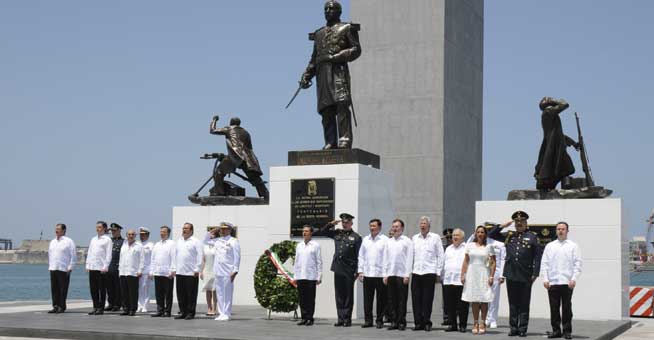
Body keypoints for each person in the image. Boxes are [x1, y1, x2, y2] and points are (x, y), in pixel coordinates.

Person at [299, 0, 362, 149]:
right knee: (326, 110)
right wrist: (306, 75)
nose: (328, 11)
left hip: (338, 72)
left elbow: (356, 49)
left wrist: (338, 56)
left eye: (331, 9)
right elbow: (314, 58)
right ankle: (330, 141)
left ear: (339, 12)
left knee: (341, 105)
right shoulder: (319, 33)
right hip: (322, 75)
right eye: (326, 9)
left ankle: (344, 139)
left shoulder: (347, 28)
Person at [489, 211, 543, 337]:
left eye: (522, 222)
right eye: (517, 222)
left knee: (524, 303)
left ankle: (523, 328)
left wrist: (535, 273)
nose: (519, 224)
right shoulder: (509, 235)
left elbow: (537, 257)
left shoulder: (533, 236)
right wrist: (504, 225)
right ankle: (513, 328)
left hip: (526, 274)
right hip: (511, 274)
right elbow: (491, 234)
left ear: (526, 223)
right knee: (512, 303)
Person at [209, 116, 268, 199]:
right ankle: (266, 195)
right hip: (247, 159)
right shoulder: (246, 132)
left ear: (231, 123)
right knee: (255, 178)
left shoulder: (229, 129)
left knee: (218, 172)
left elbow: (212, 130)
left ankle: (219, 194)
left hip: (235, 157)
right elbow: (249, 148)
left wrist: (214, 120)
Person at [541, 222, 582, 340]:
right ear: (556, 231)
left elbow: (577, 264)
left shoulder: (573, 246)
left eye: (563, 229)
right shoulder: (550, 246)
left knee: (566, 309)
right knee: (554, 308)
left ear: (567, 231)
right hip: (553, 282)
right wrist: (545, 279)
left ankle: (567, 331)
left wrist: (574, 279)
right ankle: (556, 331)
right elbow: (545, 263)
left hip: (567, 282)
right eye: (558, 229)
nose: (560, 231)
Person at [321, 212, 362, 327]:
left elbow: (359, 256)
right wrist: (330, 224)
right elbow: (322, 232)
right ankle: (340, 318)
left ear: (351, 223)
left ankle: (347, 319)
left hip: (349, 270)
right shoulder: (337, 233)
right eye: (343, 222)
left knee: (348, 295)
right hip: (338, 268)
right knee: (339, 295)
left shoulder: (356, 237)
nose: (344, 224)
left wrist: (357, 271)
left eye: (347, 222)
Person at [534, 97, 579, 191]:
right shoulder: (548, 111)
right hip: (554, 147)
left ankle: (564, 183)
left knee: (566, 168)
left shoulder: (551, 114)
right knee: (558, 168)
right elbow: (565, 104)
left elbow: (559, 134)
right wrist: (553, 101)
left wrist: (574, 143)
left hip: (558, 146)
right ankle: (548, 183)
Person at [410, 216, 444, 331]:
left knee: (427, 299)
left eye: (425, 223)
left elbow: (440, 255)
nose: (422, 225)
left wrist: (438, 273)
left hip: (429, 272)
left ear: (429, 226)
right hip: (416, 272)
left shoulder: (435, 238)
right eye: (421, 223)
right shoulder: (414, 238)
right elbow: (411, 256)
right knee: (416, 299)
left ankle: (427, 322)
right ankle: (418, 323)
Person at [461, 225, 497, 335]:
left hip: (484, 274)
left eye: (482, 232)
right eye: (478, 232)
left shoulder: (489, 247)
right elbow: (466, 261)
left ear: (485, 234)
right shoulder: (470, 245)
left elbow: (493, 262)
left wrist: (491, 276)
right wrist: (463, 274)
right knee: (475, 299)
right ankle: (475, 323)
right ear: (475, 234)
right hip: (472, 274)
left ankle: (483, 322)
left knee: (484, 299)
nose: (480, 234)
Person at [383, 219, 413, 331]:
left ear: (402, 228)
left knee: (401, 300)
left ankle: (401, 322)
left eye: (397, 226)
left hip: (401, 275)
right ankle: (394, 321)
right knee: (391, 300)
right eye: (393, 226)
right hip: (390, 274)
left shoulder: (407, 241)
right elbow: (385, 259)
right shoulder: (388, 242)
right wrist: (385, 275)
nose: (395, 228)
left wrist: (407, 275)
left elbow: (410, 259)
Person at [357, 218, 388, 329]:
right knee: (367, 300)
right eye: (370, 226)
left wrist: (386, 274)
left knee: (381, 300)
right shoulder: (366, 239)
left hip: (380, 275)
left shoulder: (385, 240)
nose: (372, 228)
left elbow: (387, 258)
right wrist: (360, 271)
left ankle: (379, 320)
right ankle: (368, 321)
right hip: (368, 274)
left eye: (374, 226)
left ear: (379, 227)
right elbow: (361, 256)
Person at [207, 222, 240, 321]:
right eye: (221, 229)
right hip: (218, 271)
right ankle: (221, 313)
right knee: (220, 293)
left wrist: (235, 270)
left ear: (230, 230)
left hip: (228, 271)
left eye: (225, 229)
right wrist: (213, 231)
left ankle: (227, 313)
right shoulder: (217, 241)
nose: (223, 230)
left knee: (227, 293)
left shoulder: (233, 241)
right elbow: (204, 241)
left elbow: (237, 257)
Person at [293, 225, 323, 326]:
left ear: (311, 233)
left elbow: (319, 262)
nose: (304, 233)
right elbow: (296, 262)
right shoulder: (299, 245)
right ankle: (304, 317)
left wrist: (319, 276)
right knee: (302, 298)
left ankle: (310, 318)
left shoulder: (315, 245)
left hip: (311, 276)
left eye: (306, 231)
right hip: (301, 276)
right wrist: (295, 276)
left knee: (310, 299)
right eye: (303, 231)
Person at [442, 228, 469, 333]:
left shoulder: (466, 248)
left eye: (457, 235)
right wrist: (442, 276)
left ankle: (463, 325)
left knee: (462, 305)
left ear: (462, 237)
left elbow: (468, 263)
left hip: (461, 280)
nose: (454, 237)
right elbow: (444, 263)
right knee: (450, 305)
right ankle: (453, 324)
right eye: (453, 235)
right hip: (449, 280)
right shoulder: (448, 248)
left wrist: (465, 275)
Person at [175, 222, 203, 320]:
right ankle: (183, 312)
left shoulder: (196, 241)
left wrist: (197, 269)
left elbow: (200, 256)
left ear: (191, 230)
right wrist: (174, 269)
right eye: (183, 228)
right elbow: (176, 256)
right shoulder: (179, 241)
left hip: (191, 272)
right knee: (181, 294)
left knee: (191, 294)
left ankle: (190, 313)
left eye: (186, 228)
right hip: (180, 271)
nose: (184, 230)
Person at [47, 223, 76, 314]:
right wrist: (50, 266)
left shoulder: (69, 241)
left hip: (64, 268)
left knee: (63, 288)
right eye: (56, 229)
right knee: (54, 288)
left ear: (63, 230)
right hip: (53, 267)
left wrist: (71, 266)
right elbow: (50, 254)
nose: (56, 230)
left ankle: (61, 306)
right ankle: (55, 305)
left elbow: (73, 255)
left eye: (58, 229)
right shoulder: (53, 241)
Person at [85, 221, 112, 315]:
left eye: (100, 227)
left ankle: (101, 308)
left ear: (104, 228)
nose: (98, 229)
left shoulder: (107, 239)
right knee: (93, 289)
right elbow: (90, 253)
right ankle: (95, 306)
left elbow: (109, 254)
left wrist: (106, 266)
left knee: (102, 289)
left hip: (101, 268)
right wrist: (87, 265)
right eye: (97, 227)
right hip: (92, 267)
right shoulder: (93, 239)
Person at [150, 226, 176, 317]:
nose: (162, 233)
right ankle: (160, 310)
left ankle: (167, 311)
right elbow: (153, 259)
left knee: (168, 293)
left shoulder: (172, 243)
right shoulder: (157, 244)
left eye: (164, 232)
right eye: (161, 231)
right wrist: (151, 271)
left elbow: (173, 257)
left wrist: (173, 270)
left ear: (168, 233)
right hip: (157, 272)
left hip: (167, 273)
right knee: (159, 293)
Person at [118, 229, 144, 316]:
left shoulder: (139, 246)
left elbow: (142, 259)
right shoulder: (124, 245)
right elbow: (121, 258)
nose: (131, 236)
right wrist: (120, 271)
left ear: (135, 236)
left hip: (133, 272)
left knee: (133, 292)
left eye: (132, 234)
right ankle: (126, 309)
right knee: (124, 292)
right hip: (123, 272)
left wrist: (140, 270)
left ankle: (133, 309)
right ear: (126, 235)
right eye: (129, 234)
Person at [105, 223, 124, 312]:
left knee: (117, 287)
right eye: (112, 231)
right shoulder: (108, 241)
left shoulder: (123, 242)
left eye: (115, 231)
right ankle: (111, 303)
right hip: (109, 266)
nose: (113, 232)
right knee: (109, 287)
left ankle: (117, 304)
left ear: (119, 231)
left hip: (117, 267)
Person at [200, 227, 218, 316]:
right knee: (208, 290)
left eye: (213, 234)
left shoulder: (217, 244)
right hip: (207, 269)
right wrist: (201, 271)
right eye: (210, 234)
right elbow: (203, 259)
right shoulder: (205, 246)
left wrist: (218, 228)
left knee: (215, 290)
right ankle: (209, 308)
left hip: (215, 269)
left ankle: (215, 308)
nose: (211, 235)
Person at [137, 227, 154, 313]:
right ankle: (139, 305)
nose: (142, 236)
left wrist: (152, 271)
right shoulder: (137, 244)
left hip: (147, 271)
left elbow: (153, 259)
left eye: (143, 234)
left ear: (147, 235)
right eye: (140, 235)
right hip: (138, 271)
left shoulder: (151, 245)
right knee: (139, 289)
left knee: (146, 289)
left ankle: (145, 306)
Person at [440, 228, 454, 327]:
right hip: (446, 277)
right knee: (446, 298)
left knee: (455, 299)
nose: (449, 239)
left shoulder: (458, 246)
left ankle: (453, 317)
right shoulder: (442, 248)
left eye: (450, 236)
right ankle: (446, 317)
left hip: (456, 277)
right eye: (447, 237)